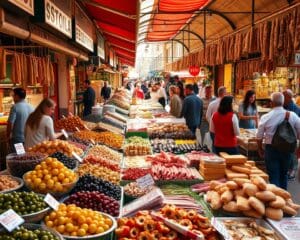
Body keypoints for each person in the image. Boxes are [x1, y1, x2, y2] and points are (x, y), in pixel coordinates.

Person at [257, 92, 300, 190]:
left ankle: (275, 200)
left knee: (273, 176)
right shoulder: (292, 115)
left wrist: (260, 148)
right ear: (283, 102)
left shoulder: (266, 117)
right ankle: (283, 199)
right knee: (283, 175)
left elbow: (259, 136)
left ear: (271, 103)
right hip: (287, 149)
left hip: (271, 150)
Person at [283, 89, 300, 180]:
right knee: (287, 153)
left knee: (293, 153)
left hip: (293, 135)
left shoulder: (295, 109)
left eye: (284, 96)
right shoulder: (283, 106)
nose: (282, 98)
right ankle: (288, 169)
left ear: (289, 98)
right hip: (284, 135)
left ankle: (292, 171)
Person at [206, 86, 226, 152]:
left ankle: (214, 157)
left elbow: (207, 116)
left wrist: (212, 124)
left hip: (213, 129)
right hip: (223, 129)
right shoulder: (227, 104)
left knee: (214, 145)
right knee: (223, 146)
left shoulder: (212, 103)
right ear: (224, 93)